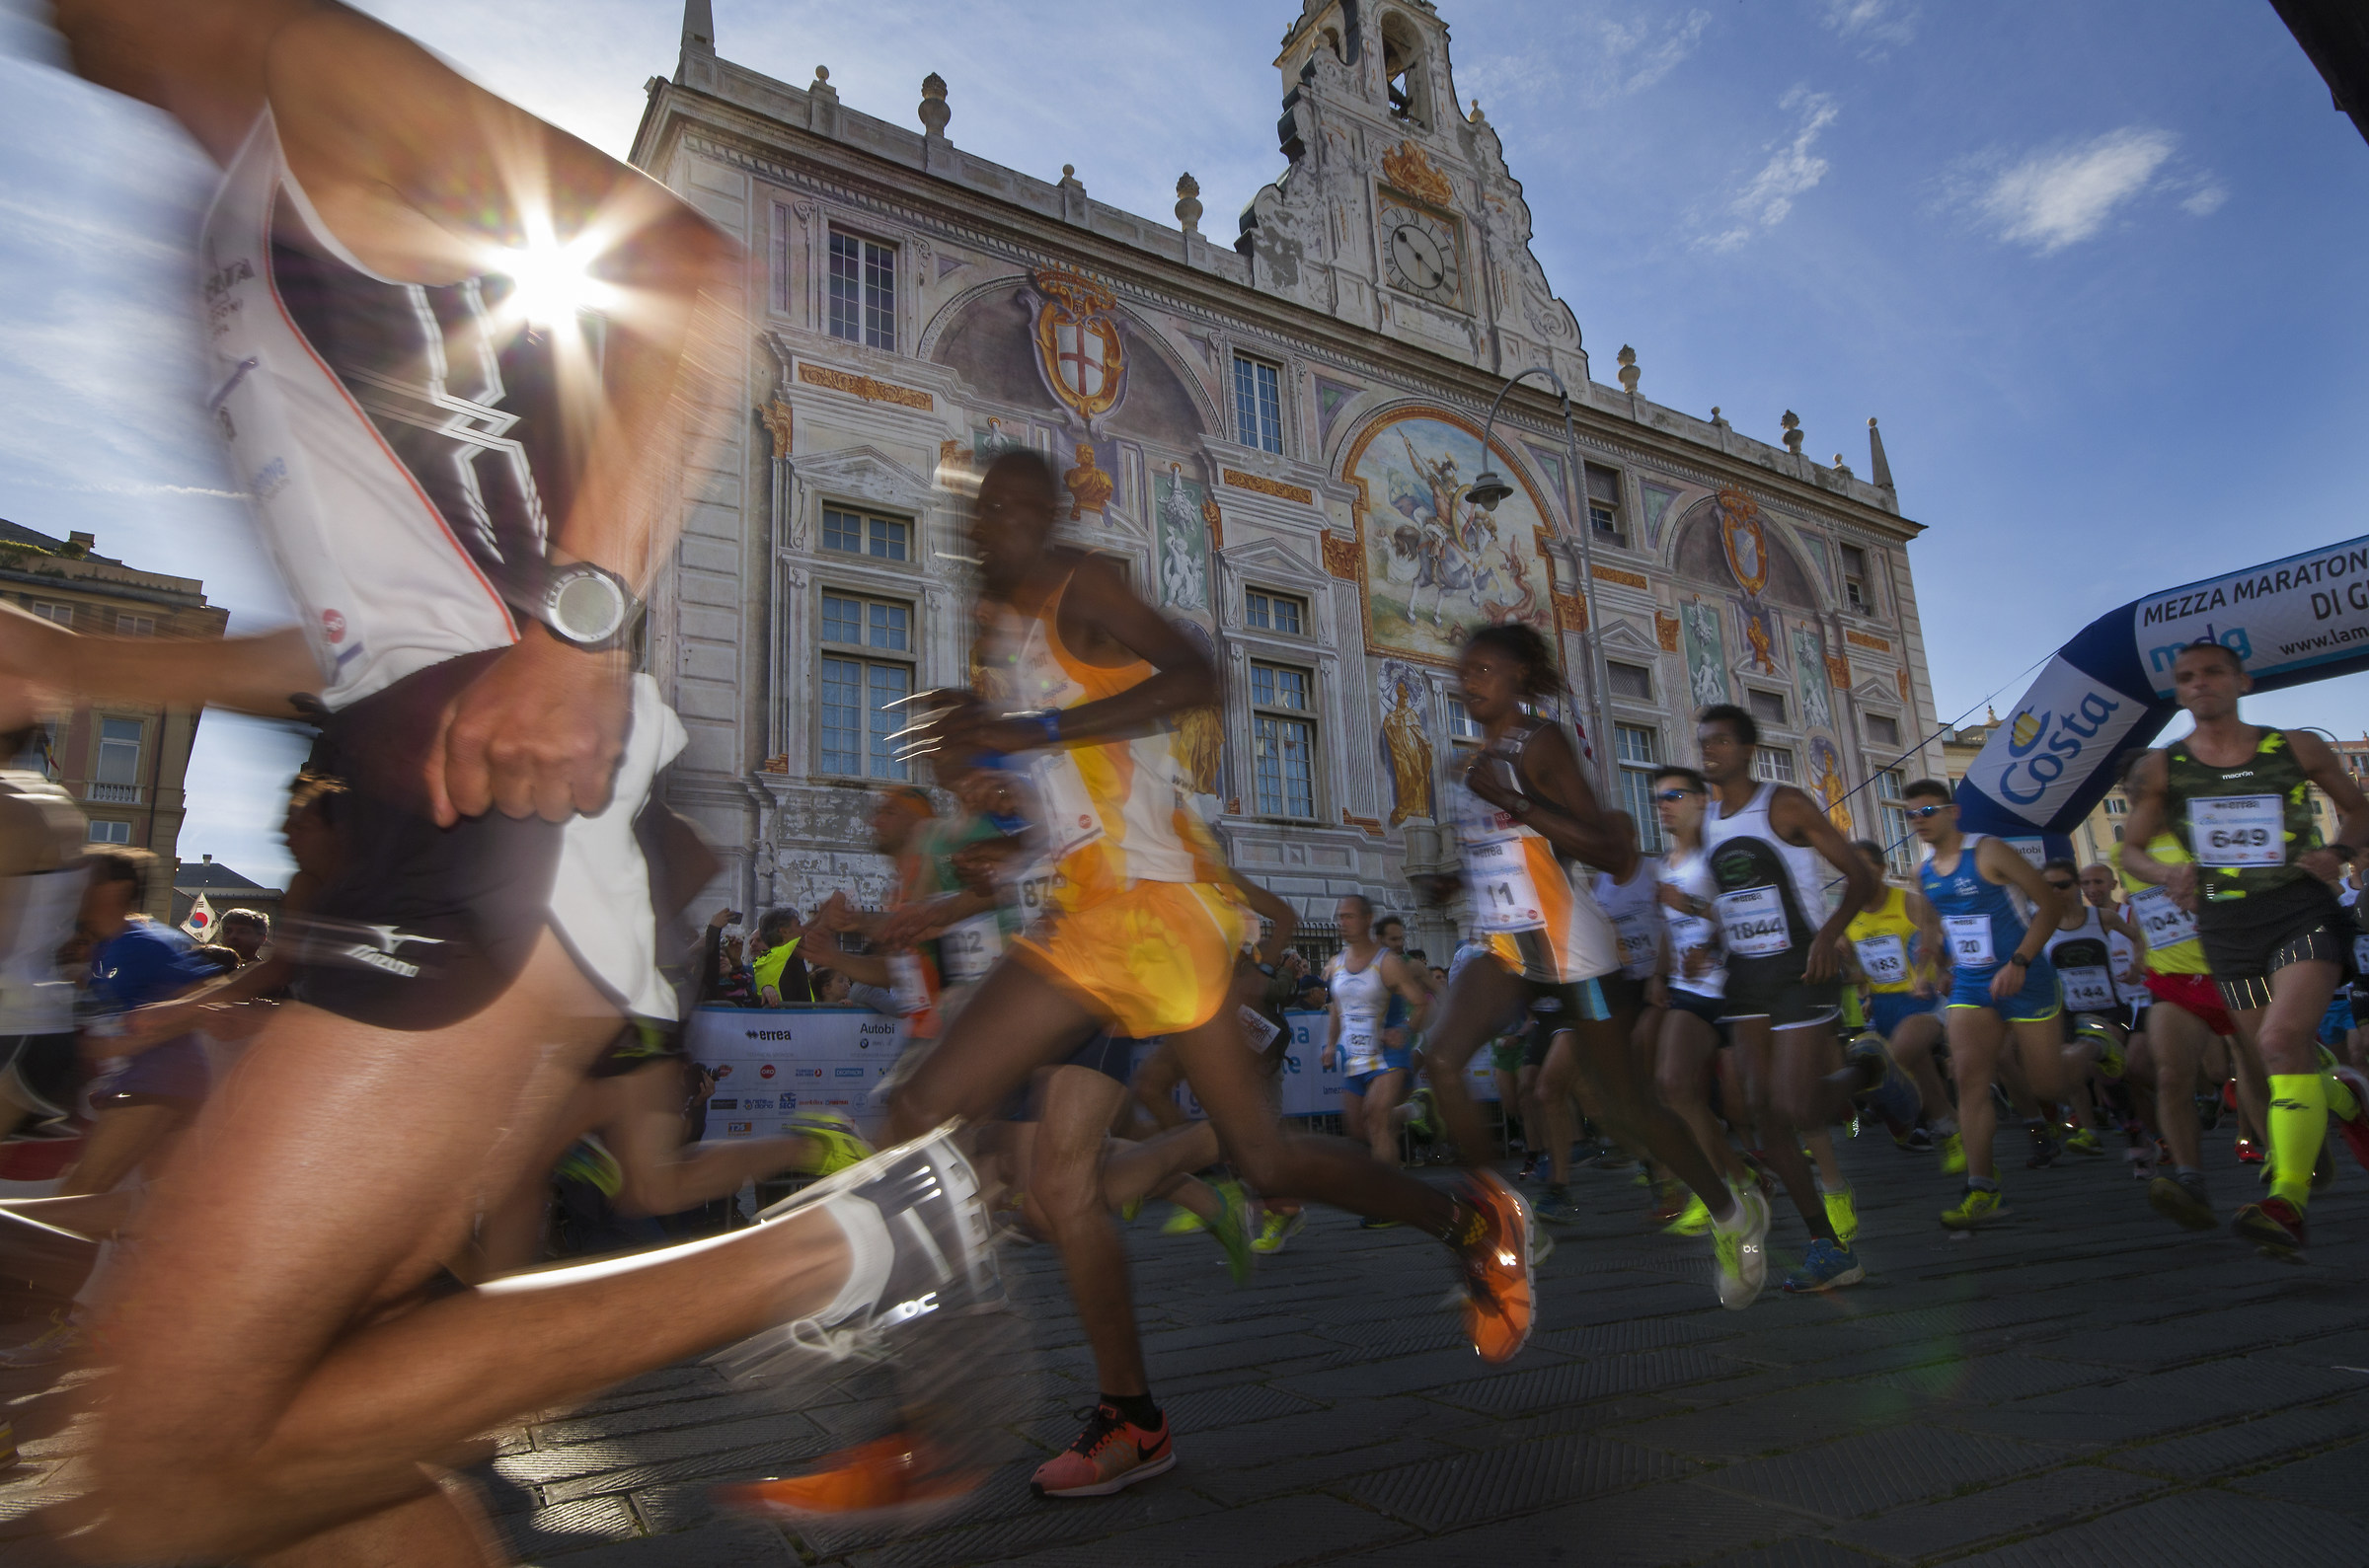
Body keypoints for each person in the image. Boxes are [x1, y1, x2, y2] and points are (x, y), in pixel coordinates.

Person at [12, 8, 1002, 1557]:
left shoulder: (311, 68)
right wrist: (79, 666)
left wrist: (578, 628)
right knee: (321, 1472)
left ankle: (851, 1247)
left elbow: (679, 268)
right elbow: (356, 642)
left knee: (162, 1458)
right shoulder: (226, 205)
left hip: (498, 830)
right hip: (439, 804)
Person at [732, 450, 1532, 1514]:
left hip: (1147, 911)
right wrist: (983, 839)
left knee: (926, 1107)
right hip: (1097, 913)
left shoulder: (1083, 588)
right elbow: (1053, 805)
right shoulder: (997, 631)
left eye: (1021, 509)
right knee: (1173, 1167)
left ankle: (917, 1427)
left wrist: (1034, 731)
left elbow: (1200, 677)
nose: (1001, 527)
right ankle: (1158, 1401)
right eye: (987, 512)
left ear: (1049, 516)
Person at [1413, 629, 1772, 1309]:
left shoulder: (1537, 745)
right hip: (1503, 946)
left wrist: (1517, 800)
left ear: (1521, 678)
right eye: (1464, 670)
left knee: (1625, 1110)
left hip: (1574, 953)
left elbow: (1608, 848)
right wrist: (1452, 885)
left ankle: (1733, 1209)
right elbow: (1504, 855)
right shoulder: (1470, 765)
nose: (1471, 681)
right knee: (1440, 1060)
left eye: (1486, 669)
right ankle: (1505, 1220)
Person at [2119, 641, 2369, 1259]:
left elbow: (2359, 810)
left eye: (2212, 673)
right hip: (2227, 931)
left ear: (2242, 681)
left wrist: (2338, 854)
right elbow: (2132, 850)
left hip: (2299, 911)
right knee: (2267, 1056)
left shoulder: (2296, 748)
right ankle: (2345, 1097)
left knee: (2282, 1043)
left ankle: (2286, 1202)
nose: (2199, 684)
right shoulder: (2163, 767)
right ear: (2178, 692)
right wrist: (2164, 874)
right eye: (2186, 678)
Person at [1693, 705, 1904, 1290]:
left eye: (1722, 741)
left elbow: (1860, 880)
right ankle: (1826, 1247)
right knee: (1762, 1113)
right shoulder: (1708, 820)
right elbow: (1732, 897)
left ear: (1747, 750)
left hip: (1801, 966)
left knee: (1792, 1106)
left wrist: (1831, 938)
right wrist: (1710, 939)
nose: (1709, 750)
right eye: (1703, 741)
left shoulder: (1781, 804)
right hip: (1747, 977)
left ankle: (1865, 1069)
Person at [1898, 779, 2073, 1229]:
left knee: (2048, 1086)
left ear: (1953, 812)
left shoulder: (1989, 851)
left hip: (2027, 977)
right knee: (1971, 1079)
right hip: (1973, 987)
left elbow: (2049, 907)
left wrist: (2019, 962)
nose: (1919, 821)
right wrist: (1928, 970)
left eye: (1928, 811)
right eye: (1911, 814)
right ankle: (1983, 1187)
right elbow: (1934, 926)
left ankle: (2098, 1047)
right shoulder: (1923, 873)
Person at [1647, 767, 1755, 1234]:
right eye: (1658, 799)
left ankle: (1755, 1171)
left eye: (1673, 795)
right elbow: (1669, 931)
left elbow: (1745, 909)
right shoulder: (1663, 865)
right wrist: (1660, 972)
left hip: (1737, 988)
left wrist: (1694, 917)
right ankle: (1720, 1188)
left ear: (1700, 800)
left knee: (1744, 1104)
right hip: (1690, 992)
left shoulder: (1718, 853)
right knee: (1672, 1087)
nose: (1664, 805)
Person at [1842, 838, 1957, 1170]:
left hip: (1921, 1000)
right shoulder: (1847, 916)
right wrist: (1858, 984)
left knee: (1891, 1062)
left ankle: (1897, 1119)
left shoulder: (1909, 902)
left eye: (1865, 865)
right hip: (1883, 1005)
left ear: (1881, 869)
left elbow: (1942, 942)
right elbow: (1858, 972)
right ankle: (1953, 1131)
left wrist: (1940, 971)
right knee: (1925, 1081)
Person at [1320, 895, 1429, 1199]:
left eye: (1349, 916)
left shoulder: (1388, 963)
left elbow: (1421, 1004)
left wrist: (1404, 1031)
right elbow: (1336, 1008)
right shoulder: (1336, 963)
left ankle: (1390, 1201)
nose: (1342, 922)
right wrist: (1330, 1045)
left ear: (1367, 920)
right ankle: (1412, 1111)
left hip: (1388, 1054)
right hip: (1356, 1057)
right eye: (1340, 917)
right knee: (1358, 1129)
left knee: (1376, 1118)